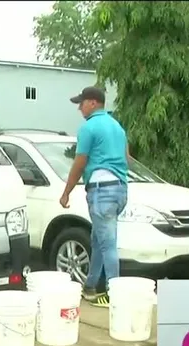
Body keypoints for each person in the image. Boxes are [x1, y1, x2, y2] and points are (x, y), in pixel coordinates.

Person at [60, 86, 131, 307]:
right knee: (98, 240)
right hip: (120, 189)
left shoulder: (89, 127)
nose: (79, 107)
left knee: (108, 244)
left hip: (102, 191)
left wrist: (66, 192)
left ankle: (115, 294)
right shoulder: (117, 127)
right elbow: (127, 158)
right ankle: (90, 286)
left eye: (81, 103)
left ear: (92, 103)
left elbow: (80, 161)